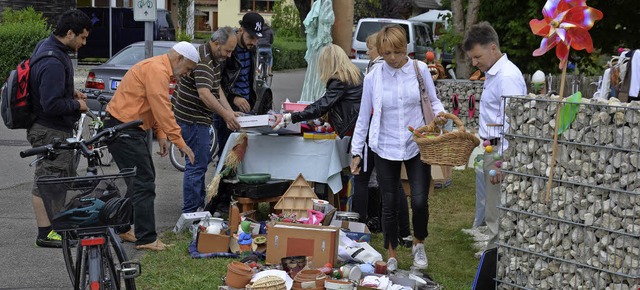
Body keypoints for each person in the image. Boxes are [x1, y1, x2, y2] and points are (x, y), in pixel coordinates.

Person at [350, 25, 446, 271]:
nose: (393, 58)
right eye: (387, 53)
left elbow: (433, 101)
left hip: (416, 144)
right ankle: (391, 252)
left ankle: (418, 243)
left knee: (420, 200)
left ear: (406, 49)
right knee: (390, 202)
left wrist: (441, 114)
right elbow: (363, 117)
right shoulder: (373, 77)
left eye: (397, 52)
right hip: (384, 146)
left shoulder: (419, 69)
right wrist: (357, 152)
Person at [103, 41, 199, 251]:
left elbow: (151, 105)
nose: (187, 74)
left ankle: (123, 227)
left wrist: (162, 134)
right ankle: (146, 238)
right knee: (143, 181)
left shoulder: (158, 67)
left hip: (124, 127)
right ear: (179, 58)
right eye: (188, 69)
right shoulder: (157, 70)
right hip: (123, 128)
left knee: (139, 180)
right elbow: (162, 107)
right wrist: (180, 142)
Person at [27, 10, 91, 248]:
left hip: (48, 127)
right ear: (70, 33)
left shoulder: (47, 47)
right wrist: (78, 104)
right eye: (82, 38)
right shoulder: (53, 59)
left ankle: (56, 227)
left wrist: (69, 91)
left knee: (55, 180)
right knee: (47, 181)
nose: (83, 43)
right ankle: (46, 233)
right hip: (50, 129)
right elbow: (50, 103)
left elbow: (46, 88)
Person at [462, 21, 526, 251]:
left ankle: (496, 261)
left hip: (500, 151)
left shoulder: (506, 77)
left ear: (492, 47)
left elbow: (513, 121)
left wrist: (501, 162)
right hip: (493, 149)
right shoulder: (494, 73)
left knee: (497, 211)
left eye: (477, 56)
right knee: (493, 209)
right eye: (471, 58)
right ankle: (495, 256)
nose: (474, 62)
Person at [173, 27, 239, 213]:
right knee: (196, 166)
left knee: (199, 164)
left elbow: (216, 89)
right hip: (192, 119)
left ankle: (197, 209)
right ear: (216, 44)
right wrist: (226, 115)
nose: (229, 54)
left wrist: (230, 112)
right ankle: (192, 213)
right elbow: (204, 93)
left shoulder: (214, 58)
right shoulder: (203, 60)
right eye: (227, 50)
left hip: (197, 119)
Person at [363, 32, 413, 247]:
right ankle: (403, 232)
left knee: (388, 187)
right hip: (382, 135)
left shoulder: (378, 70)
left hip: (384, 136)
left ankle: (397, 232)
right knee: (393, 188)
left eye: (370, 48)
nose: (367, 52)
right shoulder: (374, 70)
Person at [217, 12, 272, 154]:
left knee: (241, 153)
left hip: (245, 107)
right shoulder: (228, 48)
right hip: (227, 107)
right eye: (250, 37)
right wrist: (234, 98)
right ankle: (223, 176)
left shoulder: (252, 48)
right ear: (240, 30)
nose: (253, 42)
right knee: (227, 153)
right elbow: (216, 82)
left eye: (256, 38)